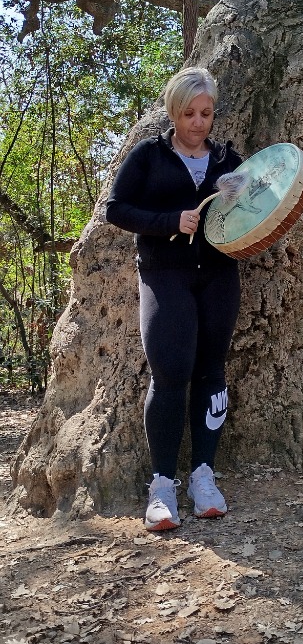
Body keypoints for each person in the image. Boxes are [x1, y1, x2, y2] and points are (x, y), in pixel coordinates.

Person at [106, 67, 242, 532]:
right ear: (173, 112)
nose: (198, 123)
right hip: (164, 276)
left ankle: (203, 477)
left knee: (212, 371)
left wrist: (245, 198)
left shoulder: (227, 160)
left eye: (206, 113)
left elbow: (252, 209)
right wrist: (170, 221)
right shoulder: (149, 155)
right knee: (169, 374)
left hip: (219, 277)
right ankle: (162, 486)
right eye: (188, 114)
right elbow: (115, 209)